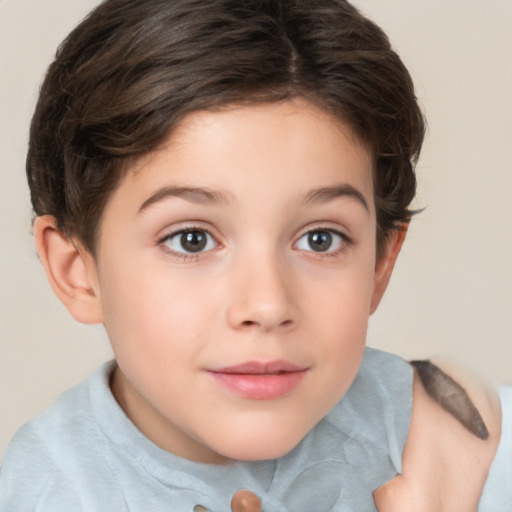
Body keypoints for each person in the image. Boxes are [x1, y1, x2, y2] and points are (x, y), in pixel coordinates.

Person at [0, 0, 510, 510]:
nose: (266, 305)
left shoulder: (461, 442)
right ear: (78, 272)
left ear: (379, 264)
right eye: (191, 239)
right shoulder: (47, 493)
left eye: (320, 239)